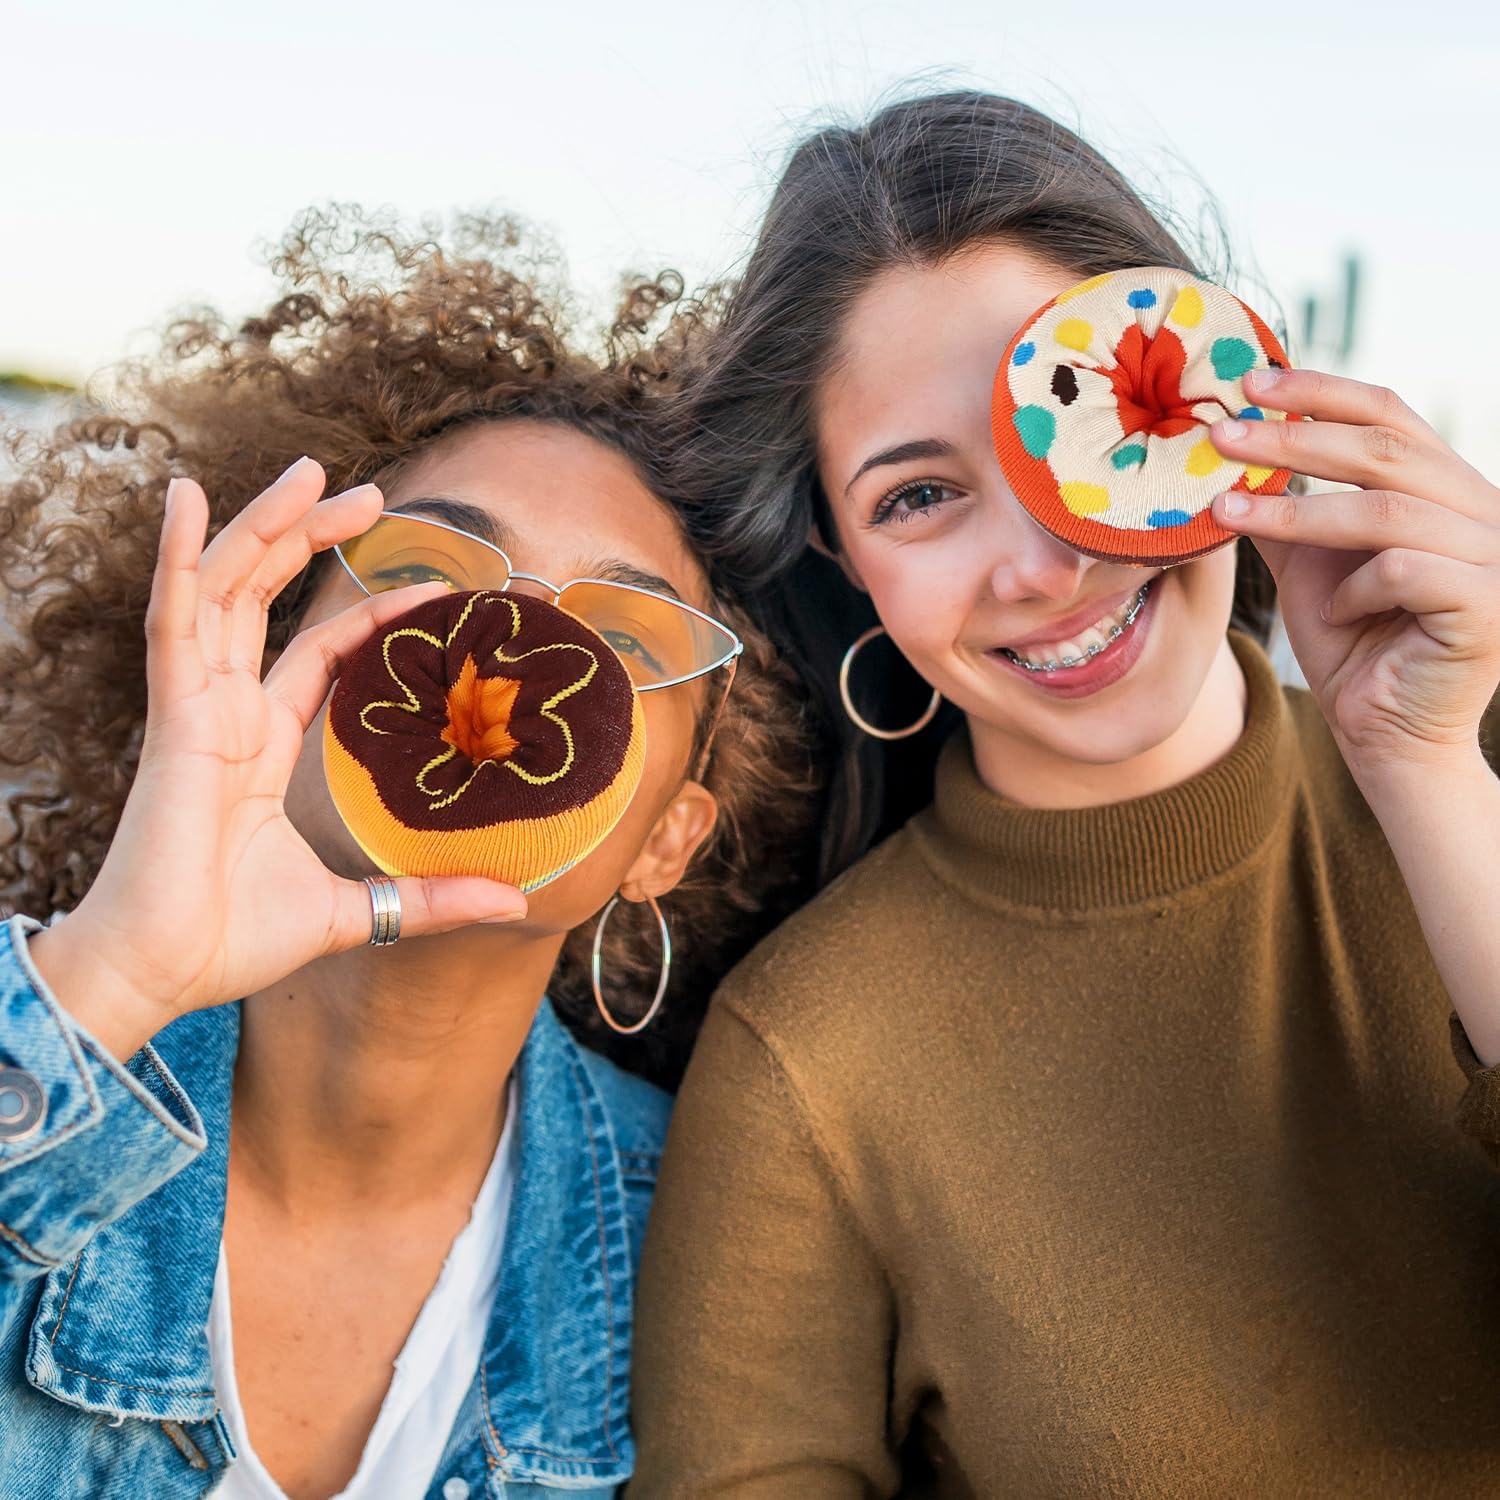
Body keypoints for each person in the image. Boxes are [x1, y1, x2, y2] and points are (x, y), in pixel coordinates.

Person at [630, 92, 1500, 1496]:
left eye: (1102, 429)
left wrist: (1427, 773)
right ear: (848, 562)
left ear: (1231, 401)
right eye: (920, 498)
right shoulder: (808, 1059)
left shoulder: (1479, 746)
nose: (1044, 565)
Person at [0, 210, 814, 1500]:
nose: (504, 649)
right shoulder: (57, 1024)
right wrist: (116, 978)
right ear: (275, 669)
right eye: (428, 568)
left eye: (627, 634)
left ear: (666, 836)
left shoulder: (719, 1240)